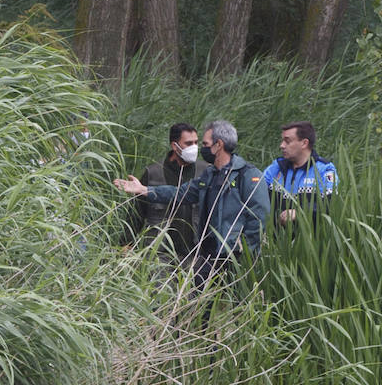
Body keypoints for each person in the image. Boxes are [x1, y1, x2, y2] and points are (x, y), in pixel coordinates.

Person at [114, 119, 270, 284]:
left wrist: (243, 251)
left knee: (224, 304)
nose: (199, 148)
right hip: (200, 256)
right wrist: (144, 190)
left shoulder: (246, 175)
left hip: (227, 258)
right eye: (193, 143)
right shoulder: (209, 175)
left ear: (219, 145)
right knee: (193, 303)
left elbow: (259, 218)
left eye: (203, 143)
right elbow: (180, 193)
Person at [131, 122, 210, 264]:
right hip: (159, 255)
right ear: (175, 146)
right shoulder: (153, 172)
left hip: (195, 255)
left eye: (196, 142)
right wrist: (125, 244)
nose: (194, 147)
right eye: (188, 143)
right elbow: (136, 213)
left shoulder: (205, 172)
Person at [262, 120, 338, 226]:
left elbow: (330, 204)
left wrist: (300, 213)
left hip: (309, 238)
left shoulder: (324, 170)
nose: (282, 145)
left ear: (304, 143)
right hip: (274, 237)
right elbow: (255, 194)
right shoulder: (276, 167)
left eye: (287, 141)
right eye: (282, 141)